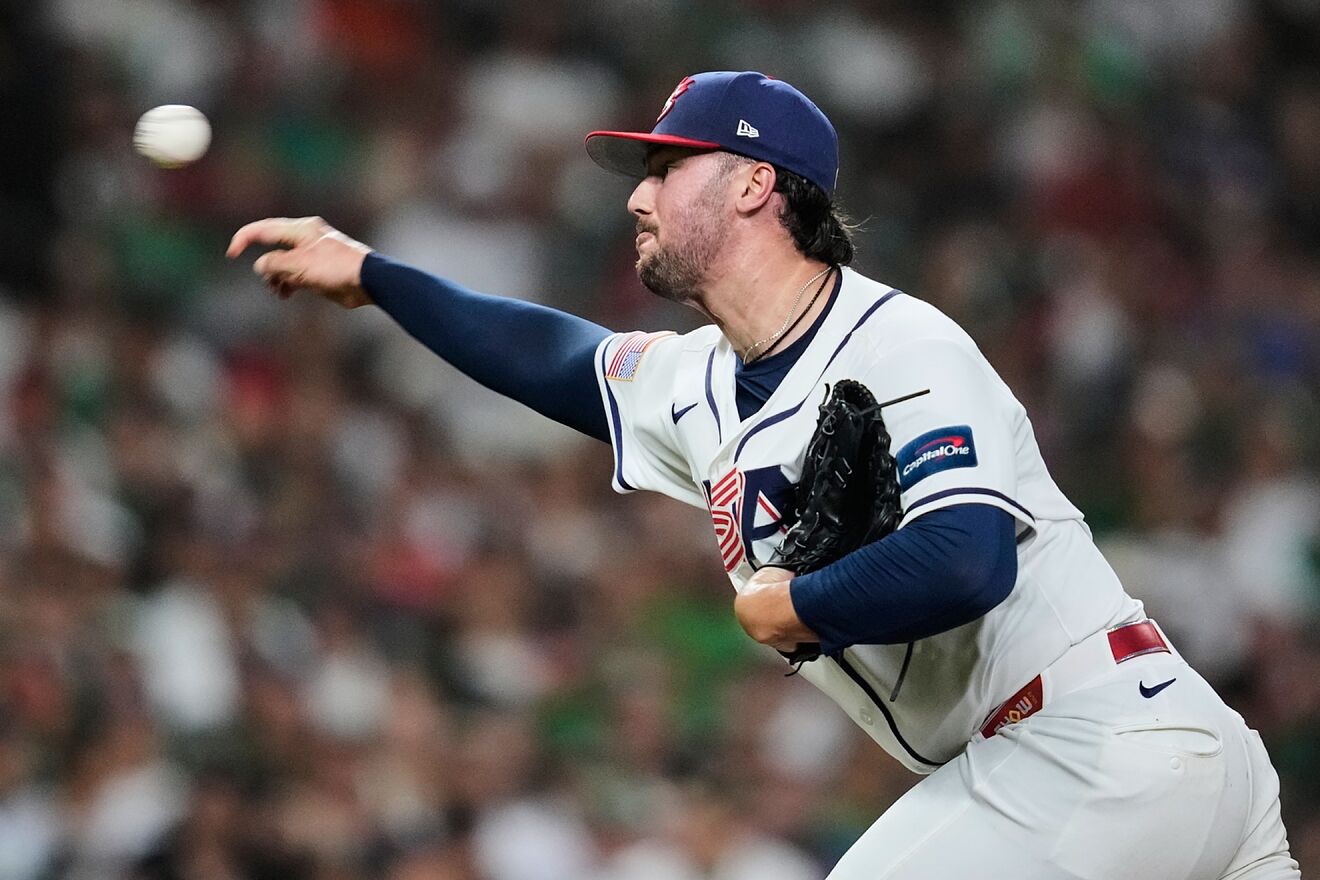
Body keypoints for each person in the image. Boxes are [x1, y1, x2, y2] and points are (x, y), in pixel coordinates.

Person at [227, 71, 1300, 879]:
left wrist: (795, 603)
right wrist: (373, 276)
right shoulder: (698, 379)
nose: (638, 197)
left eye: (664, 167)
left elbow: (967, 559)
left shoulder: (898, 342)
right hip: (1123, 762)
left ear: (752, 184)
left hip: (1096, 736)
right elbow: (552, 357)